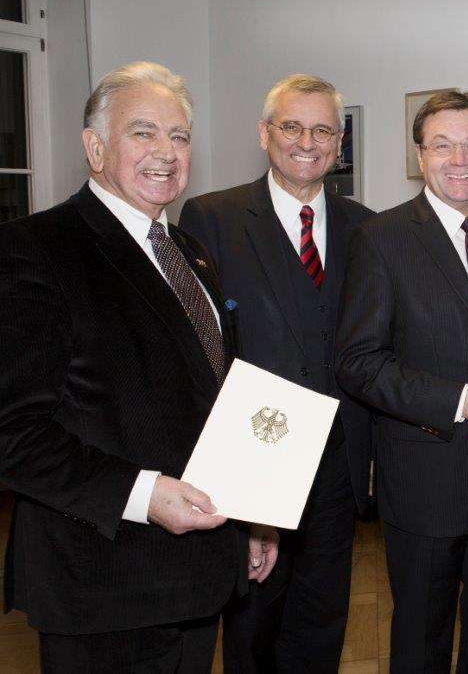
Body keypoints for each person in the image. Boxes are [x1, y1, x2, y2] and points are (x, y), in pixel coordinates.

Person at [0, 61, 277, 672]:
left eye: (179, 136)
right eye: (143, 132)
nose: (166, 152)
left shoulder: (189, 252)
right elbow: (13, 434)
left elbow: (213, 396)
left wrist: (255, 515)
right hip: (104, 587)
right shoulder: (37, 249)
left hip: (198, 579)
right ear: (95, 147)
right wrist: (144, 494)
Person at [336, 90, 468, 673]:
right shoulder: (382, 238)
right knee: (421, 638)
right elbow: (358, 361)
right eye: (442, 145)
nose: (459, 159)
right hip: (427, 476)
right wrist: (458, 400)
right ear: (419, 154)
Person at [179, 73, 373, 674]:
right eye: (292, 126)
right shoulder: (209, 218)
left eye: (322, 129)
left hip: (338, 466)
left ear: (338, 143)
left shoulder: (367, 224)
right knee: (253, 627)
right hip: (254, 464)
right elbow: (201, 347)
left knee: (322, 622)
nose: (306, 141)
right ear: (265, 134)